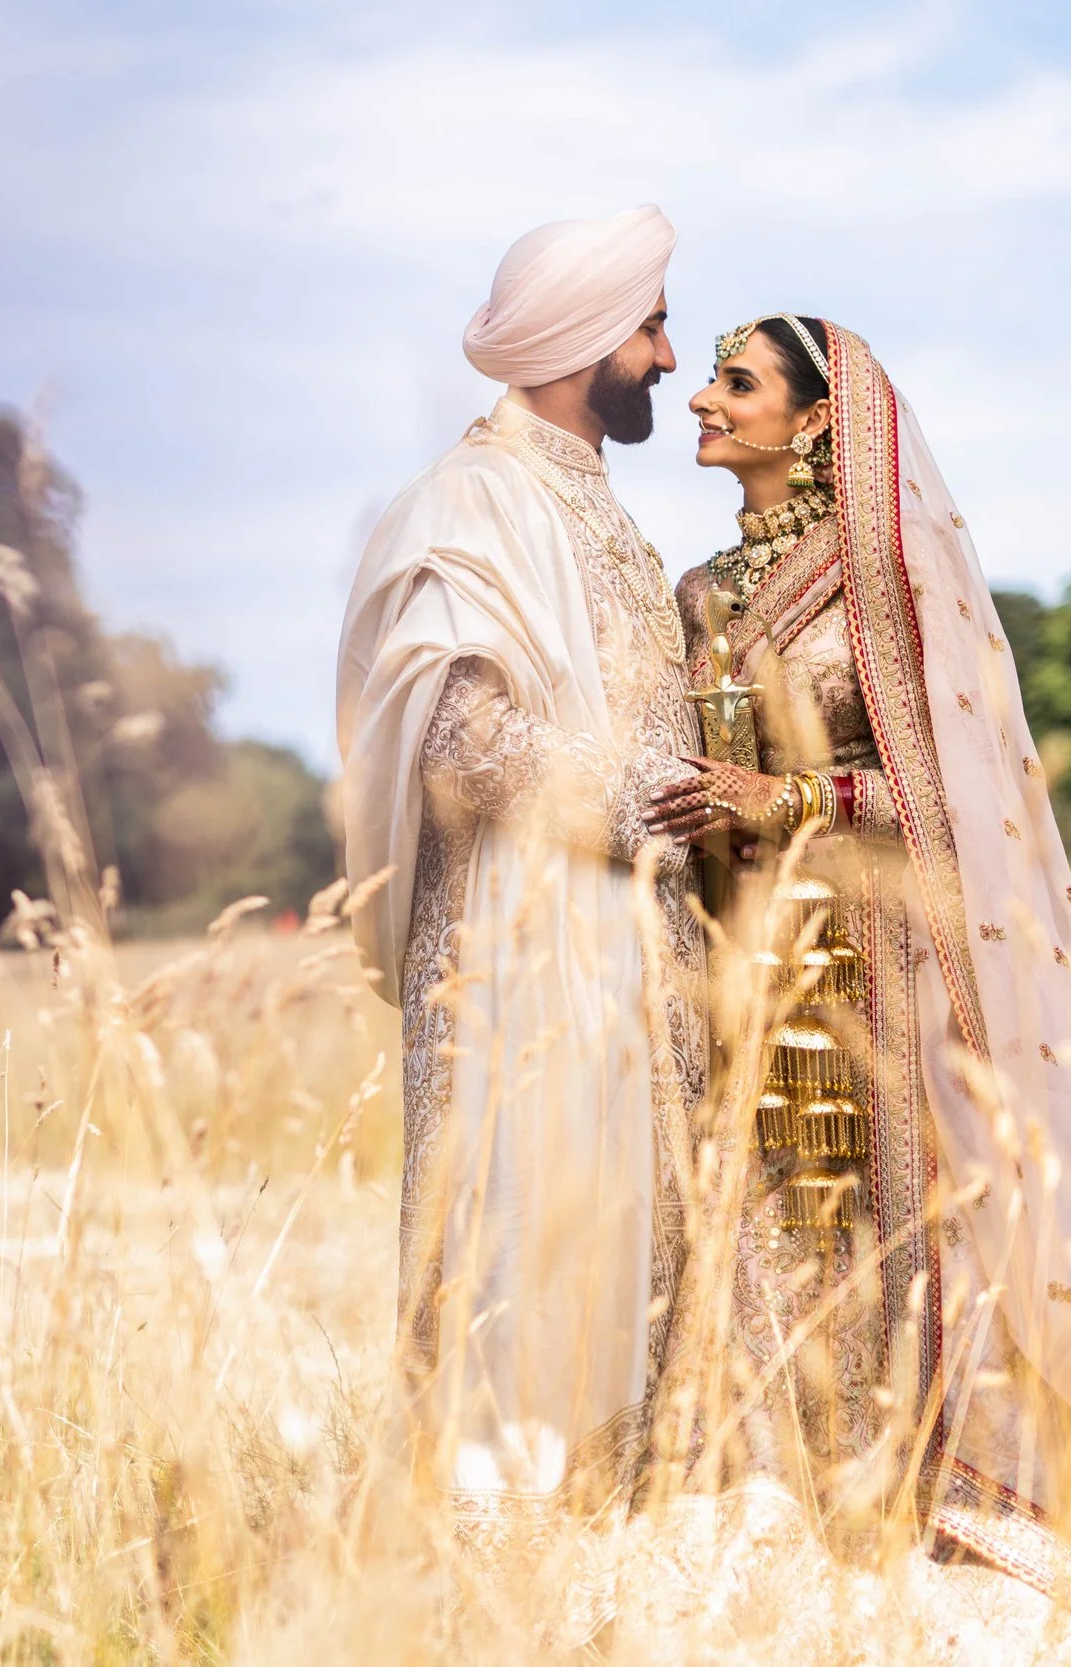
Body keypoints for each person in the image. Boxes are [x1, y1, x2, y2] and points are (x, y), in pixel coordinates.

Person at [642, 315, 1071, 1657]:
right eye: (702, 371)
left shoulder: (878, 574)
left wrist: (789, 795)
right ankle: (781, 1479)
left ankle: (928, 1479)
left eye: (737, 381)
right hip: (736, 952)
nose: (701, 396)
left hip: (877, 949)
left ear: (816, 422)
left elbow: (956, 792)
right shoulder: (698, 592)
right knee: (755, 1203)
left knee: (894, 1207)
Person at [334, 206, 704, 1575]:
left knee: (628, 1227)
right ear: (579, 343)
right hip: (519, 940)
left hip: (636, 937)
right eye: (651, 326)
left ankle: (603, 1536)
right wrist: (627, 801)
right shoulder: (468, 501)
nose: (669, 357)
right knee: (520, 1221)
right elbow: (451, 734)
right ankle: (498, 1552)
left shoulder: (595, 501)